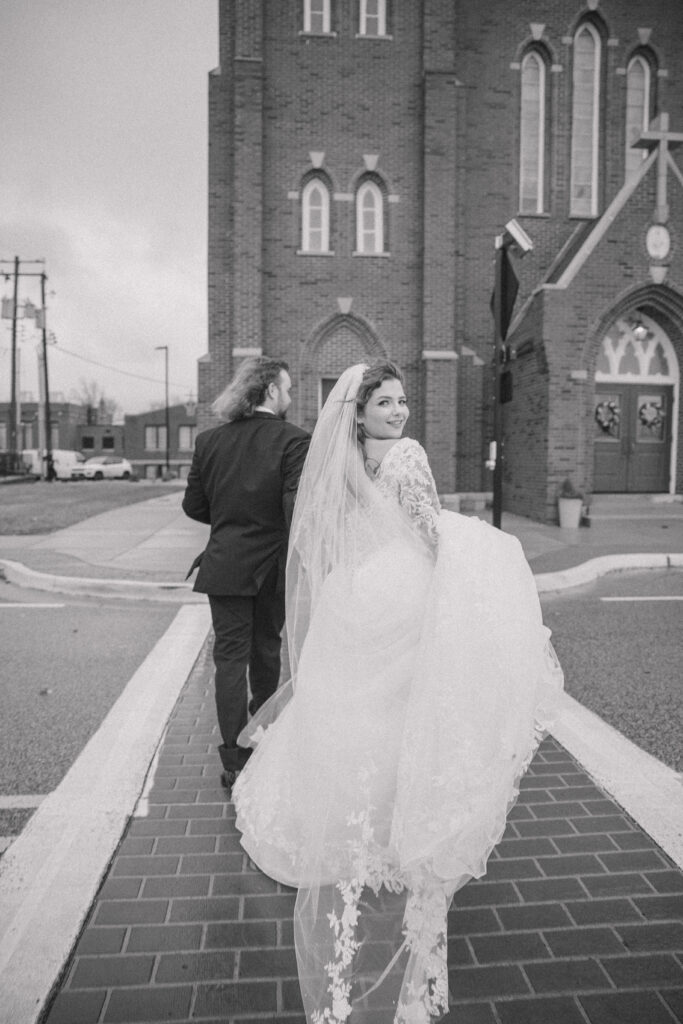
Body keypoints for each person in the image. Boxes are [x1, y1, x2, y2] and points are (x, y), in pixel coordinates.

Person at [233, 361, 564, 1024]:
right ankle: (395, 821)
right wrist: (474, 571)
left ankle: (334, 816)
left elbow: (328, 539)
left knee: (350, 709)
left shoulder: (340, 457)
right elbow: (427, 526)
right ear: (358, 410)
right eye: (385, 401)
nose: (399, 410)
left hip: (354, 595)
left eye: (402, 400)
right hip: (402, 593)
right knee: (401, 712)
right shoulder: (407, 456)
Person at [182, 356, 310, 793]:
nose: (290, 396)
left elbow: (194, 507)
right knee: (267, 651)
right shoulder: (294, 441)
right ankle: (263, 735)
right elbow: (295, 508)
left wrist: (231, 518)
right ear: (271, 391)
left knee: (229, 660)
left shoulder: (209, 441)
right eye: (287, 388)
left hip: (225, 564)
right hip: (271, 565)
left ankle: (234, 760)